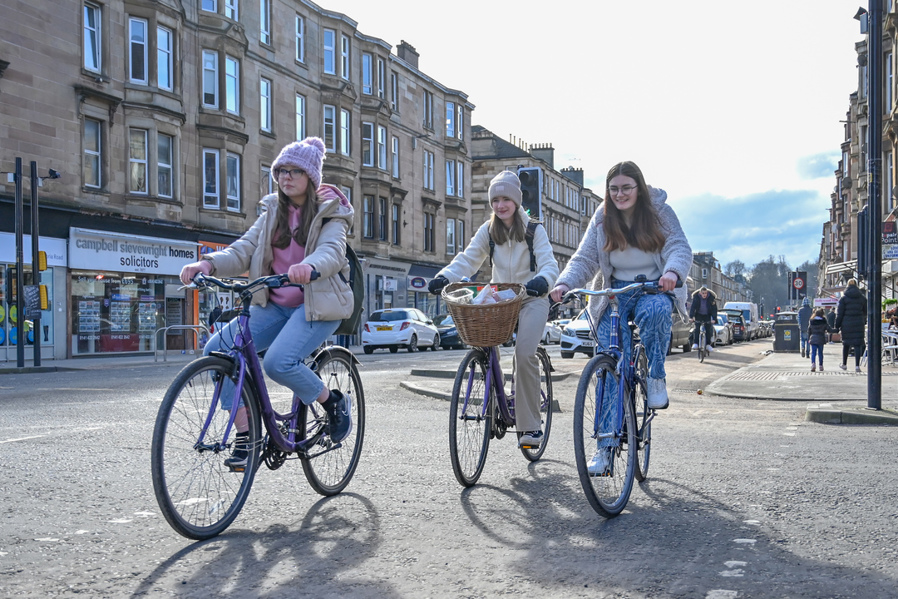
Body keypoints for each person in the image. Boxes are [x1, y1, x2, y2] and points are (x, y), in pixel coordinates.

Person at [179, 137, 355, 466]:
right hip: (274, 304)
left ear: (311, 178)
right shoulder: (272, 211)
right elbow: (242, 250)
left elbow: (332, 251)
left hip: (318, 305)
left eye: (295, 171)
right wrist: (207, 264)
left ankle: (331, 401)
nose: (286, 177)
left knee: (278, 362)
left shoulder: (332, 213)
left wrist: (310, 266)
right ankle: (247, 436)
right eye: (280, 171)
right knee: (218, 351)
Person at [549, 161, 692, 475]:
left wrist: (672, 272)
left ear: (638, 187)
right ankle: (604, 447)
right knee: (610, 365)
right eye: (614, 189)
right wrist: (563, 284)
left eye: (627, 187)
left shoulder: (660, 213)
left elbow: (679, 247)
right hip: (614, 295)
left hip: (653, 288)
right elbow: (584, 259)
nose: (620, 194)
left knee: (655, 313)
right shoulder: (602, 218)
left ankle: (655, 375)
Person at [428, 170, 559, 449]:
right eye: (495, 200)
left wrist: (542, 281)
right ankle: (495, 401)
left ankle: (530, 427)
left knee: (524, 353)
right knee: (484, 342)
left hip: (532, 297)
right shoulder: (488, 231)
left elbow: (550, 265)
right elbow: (467, 260)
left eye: (506, 199)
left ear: (516, 200)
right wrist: (445, 276)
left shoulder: (535, 230)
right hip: (501, 298)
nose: (500, 205)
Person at [835, 278, 867, 373]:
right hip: (859, 324)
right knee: (858, 344)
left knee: (846, 344)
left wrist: (837, 326)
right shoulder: (862, 298)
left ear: (847, 286)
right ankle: (857, 366)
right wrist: (862, 319)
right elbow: (866, 312)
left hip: (847, 324)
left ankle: (844, 364)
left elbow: (839, 314)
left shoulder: (844, 299)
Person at [688, 286, 717, 353]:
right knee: (697, 328)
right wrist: (691, 317)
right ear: (700, 293)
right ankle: (696, 343)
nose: (704, 295)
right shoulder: (696, 298)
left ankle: (707, 345)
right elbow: (693, 307)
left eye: (705, 293)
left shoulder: (711, 298)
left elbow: (714, 309)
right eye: (703, 293)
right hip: (698, 315)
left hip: (707, 315)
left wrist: (714, 319)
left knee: (708, 329)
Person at [807, 307, 832, 372]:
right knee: (820, 353)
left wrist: (809, 338)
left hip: (813, 338)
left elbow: (809, 331)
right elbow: (829, 329)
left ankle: (813, 364)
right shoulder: (824, 321)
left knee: (813, 353)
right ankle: (821, 365)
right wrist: (837, 329)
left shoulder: (811, 321)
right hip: (821, 338)